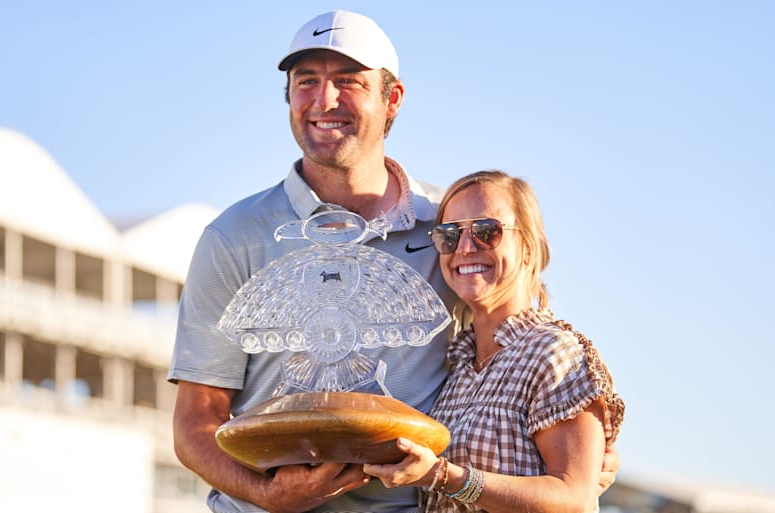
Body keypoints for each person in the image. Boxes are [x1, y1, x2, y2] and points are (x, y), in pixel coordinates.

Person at [168, 10, 620, 513]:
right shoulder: (234, 236)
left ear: (392, 100)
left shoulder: (448, 229)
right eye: (306, 82)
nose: (324, 100)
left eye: (349, 82)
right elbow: (194, 426)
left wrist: (579, 450)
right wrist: (267, 495)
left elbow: (518, 345)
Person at [363, 170, 626, 513]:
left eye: (487, 232)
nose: (466, 247)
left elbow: (573, 498)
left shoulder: (554, 353)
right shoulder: (455, 365)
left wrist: (443, 475)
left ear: (529, 248)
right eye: (449, 235)